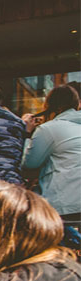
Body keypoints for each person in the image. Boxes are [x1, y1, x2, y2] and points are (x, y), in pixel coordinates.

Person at [22, 85, 81, 234]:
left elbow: (29, 163)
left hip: (65, 204)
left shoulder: (49, 129)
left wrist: (27, 134)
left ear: (49, 106)